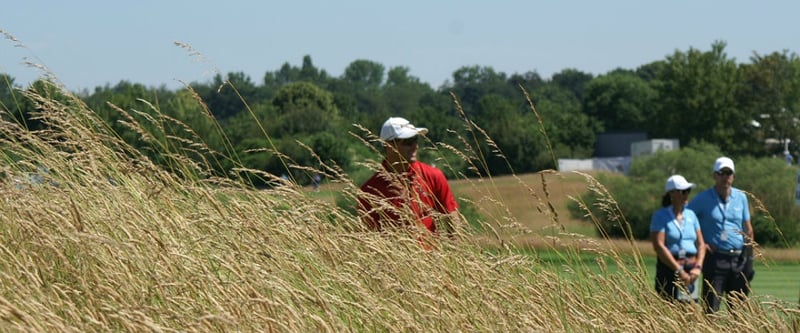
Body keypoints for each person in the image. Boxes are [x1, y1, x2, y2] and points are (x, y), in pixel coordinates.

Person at [358, 117, 460, 237]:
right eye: (408, 142)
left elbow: (453, 221)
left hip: (433, 255)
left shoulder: (434, 176)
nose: (415, 146)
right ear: (388, 145)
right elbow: (370, 238)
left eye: (415, 139)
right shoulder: (369, 190)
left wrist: (454, 253)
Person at [687, 157, 755, 313]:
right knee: (711, 310)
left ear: (733, 176)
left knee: (739, 313)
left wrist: (749, 262)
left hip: (738, 259)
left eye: (728, 173)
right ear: (714, 176)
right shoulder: (703, 198)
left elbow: (748, 229)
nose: (725, 177)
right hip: (715, 259)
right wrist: (700, 244)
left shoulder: (741, 197)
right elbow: (686, 219)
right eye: (721, 173)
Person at [650, 175, 706, 302]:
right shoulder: (660, 216)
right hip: (669, 269)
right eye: (683, 191)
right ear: (672, 193)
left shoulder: (691, 215)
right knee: (669, 311)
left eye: (688, 191)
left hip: (691, 270)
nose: (686, 194)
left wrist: (698, 267)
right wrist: (679, 271)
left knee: (690, 313)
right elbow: (659, 246)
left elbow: (701, 244)